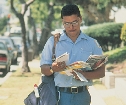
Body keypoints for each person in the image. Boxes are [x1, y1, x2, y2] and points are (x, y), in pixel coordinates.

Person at [40, 4, 105, 105]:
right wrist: (53, 68)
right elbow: (43, 69)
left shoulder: (92, 43)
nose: (71, 27)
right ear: (63, 22)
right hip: (59, 96)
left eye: (74, 22)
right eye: (67, 23)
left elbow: (101, 72)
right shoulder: (53, 42)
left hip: (82, 96)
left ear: (80, 19)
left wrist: (84, 75)